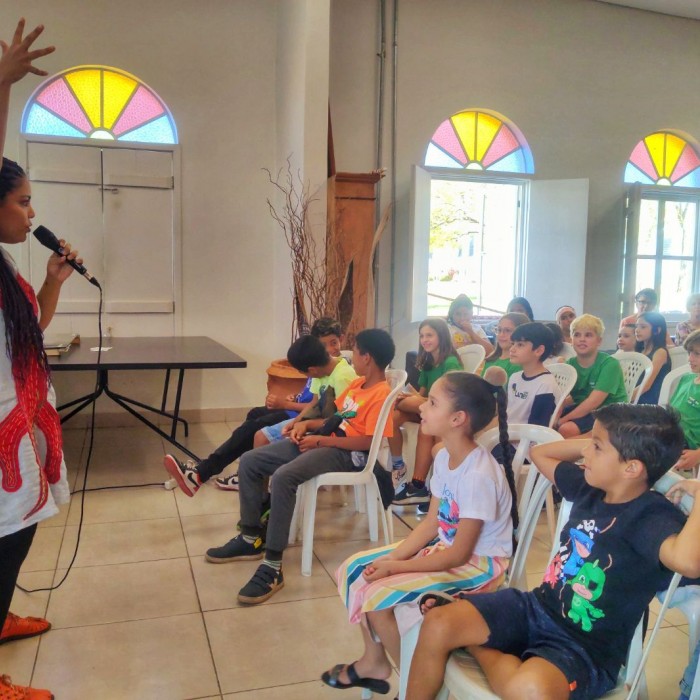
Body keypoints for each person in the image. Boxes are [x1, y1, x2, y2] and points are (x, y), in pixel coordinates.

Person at [406, 403, 700, 700]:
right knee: (438, 624)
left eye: (596, 447)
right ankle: (488, 645)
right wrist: (604, 440)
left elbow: (689, 562)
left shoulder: (649, 515)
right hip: (536, 608)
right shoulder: (590, 487)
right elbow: (540, 453)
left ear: (631, 468)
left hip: (585, 648)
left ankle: (479, 646)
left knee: (529, 690)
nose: (585, 452)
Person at [321, 372, 517, 695]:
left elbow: (459, 554)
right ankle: (375, 661)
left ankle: (415, 683)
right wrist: (390, 557)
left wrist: (395, 568)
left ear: (457, 419)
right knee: (355, 569)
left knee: (379, 596)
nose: (422, 407)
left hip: (479, 566)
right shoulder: (443, 456)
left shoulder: (479, 474)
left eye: (433, 403)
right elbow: (431, 524)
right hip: (446, 548)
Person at [0, 19, 80, 700]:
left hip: (27, 421)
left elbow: (32, 331)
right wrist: (2, 84)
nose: (31, 213)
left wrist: (52, 281)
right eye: (22, 201)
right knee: (3, 540)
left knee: (19, 534)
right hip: (1, 432)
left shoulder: (9, 272)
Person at [204, 328, 396, 605]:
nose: (351, 356)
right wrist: (305, 425)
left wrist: (318, 442)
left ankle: (272, 566)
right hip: (326, 440)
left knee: (284, 477)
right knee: (250, 460)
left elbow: (367, 442)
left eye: (355, 352)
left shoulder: (380, 393)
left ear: (367, 357)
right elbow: (335, 418)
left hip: (346, 453)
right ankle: (249, 535)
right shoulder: (357, 386)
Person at [163, 319, 354, 495]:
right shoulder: (320, 369)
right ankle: (234, 474)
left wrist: (290, 409)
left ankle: (209, 474)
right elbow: (313, 402)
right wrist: (295, 419)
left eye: (334, 342)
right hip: (302, 416)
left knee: (255, 432)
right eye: (324, 344)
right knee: (253, 418)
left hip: (316, 426)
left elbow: (340, 418)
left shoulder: (340, 374)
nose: (330, 349)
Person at [391, 318, 461, 507]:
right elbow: (421, 395)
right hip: (428, 407)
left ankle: (419, 484)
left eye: (429, 335)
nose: (424, 340)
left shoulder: (451, 362)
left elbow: (450, 397)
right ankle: (397, 464)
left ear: (441, 336)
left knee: (424, 426)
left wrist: (412, 400)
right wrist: (406, 397)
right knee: (393, 415)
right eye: (422, 336)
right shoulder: (428, 361)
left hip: (446, 408)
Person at [557, 314, 627, 438]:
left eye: (588, 335)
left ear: (599, 341)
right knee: (545, 419)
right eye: (577, 335)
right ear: (571, 340)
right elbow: (563, 397)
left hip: (610, 412)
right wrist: (556, 414)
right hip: (585, 408)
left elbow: (593, 402)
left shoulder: (610, 364)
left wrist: (562, 420)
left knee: (566, 428)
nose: (582, 339)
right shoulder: (570, 365)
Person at [507, 322, 561, 427]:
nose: (512, 349)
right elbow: (508, 414)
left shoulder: (545, 385)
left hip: (525, 441)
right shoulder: (515, 377)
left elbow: (536, 428)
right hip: (507, 434)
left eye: (520, 345)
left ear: (539, 350)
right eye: (512, 343)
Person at [669, 329, 700, 473]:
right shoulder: (686, 379)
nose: (690, 359)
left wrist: (698, 454)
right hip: (671, 434)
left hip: (688, 445)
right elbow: (672, 413)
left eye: (697, 354)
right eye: (689, 353)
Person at [634, 311, 671, 404]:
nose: (637, 330)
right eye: (636, 326)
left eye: (643, 327)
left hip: (649, 402)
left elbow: (646, 386)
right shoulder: (640, 351)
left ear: (657, 330)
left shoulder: (660, 352)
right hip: (636, 398)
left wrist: (624, 399)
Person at [481, 312, 529, 382]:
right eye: (499, 330)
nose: (501, 334)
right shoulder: (491, 359)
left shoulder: (518, 365)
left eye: (507, 330)